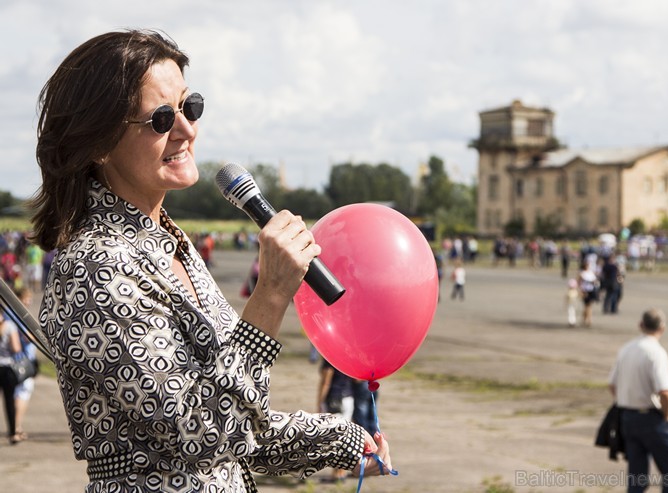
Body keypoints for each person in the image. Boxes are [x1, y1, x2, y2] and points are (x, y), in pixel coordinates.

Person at [31, 29, 391, 492]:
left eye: (190, 105)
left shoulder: (171, 245)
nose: (187, 129)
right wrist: (271, 296)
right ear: (99, 141)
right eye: (161, 118)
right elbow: (200, 429)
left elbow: (237, 426)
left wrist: (342, 438)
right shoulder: (93, 266)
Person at [608, 309, 668, 492]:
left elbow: (612, 384)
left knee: (637, 476)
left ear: (641, 325)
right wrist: (667, 416)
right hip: (651, 418)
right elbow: (665, 392)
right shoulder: (656, 352)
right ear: (662, 328)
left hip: (628, 417)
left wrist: (627, 399)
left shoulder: (626, 349)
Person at [317, 359, 355, 482]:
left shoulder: (330, 359)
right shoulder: (348, 357)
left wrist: (320, 402)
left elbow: (326, 382)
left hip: (334, 399)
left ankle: (337, 474)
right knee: (344, 437)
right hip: (348, 399)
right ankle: (341, 471)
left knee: (335, 438)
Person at [13, 286, 37, 443]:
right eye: (26, 298)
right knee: (22, 393)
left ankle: (16, 427)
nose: (28, 301)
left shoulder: (13, 315)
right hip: (22, 361)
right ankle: (17, 427)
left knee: (20, 393)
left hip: (21, 360)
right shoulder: (18, 316)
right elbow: (29, 336)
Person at [0, 309, 23, 444]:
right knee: (9, 402)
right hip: (7, 368)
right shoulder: (9, 327)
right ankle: (12, 433)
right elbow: (16, 348)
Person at [577, 261, 599, 327]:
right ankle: (588, 320)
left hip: (591, 290)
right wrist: (580, 291)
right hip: (585, 291)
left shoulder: (591, 273)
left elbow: (595, 281)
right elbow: (579, 283)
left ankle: (585, 319)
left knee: (588, 306)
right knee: (587, 305)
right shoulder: (582, 273)